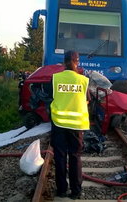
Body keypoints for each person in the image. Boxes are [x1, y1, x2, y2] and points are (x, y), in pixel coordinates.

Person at [50, 51, 89, 199]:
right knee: (75, 157)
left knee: (59, 156)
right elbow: (87, 100)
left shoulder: (55, 78)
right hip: (76, 126)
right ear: (77, 62)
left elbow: (50, 97)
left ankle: (61, 190)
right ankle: (76, 191)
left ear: (64, 62)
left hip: (59, 124)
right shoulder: (83, 80)